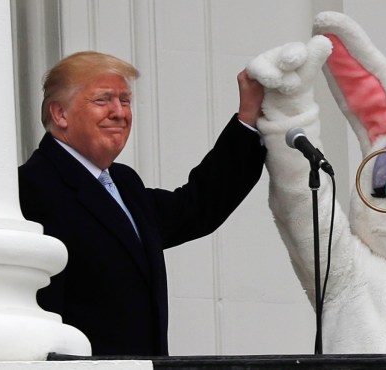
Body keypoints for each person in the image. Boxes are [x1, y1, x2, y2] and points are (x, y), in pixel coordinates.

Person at [18, 51, 266, 356]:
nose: (119, 112)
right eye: (103, 100)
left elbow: (197, 206)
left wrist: (248, 118)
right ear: (60, 114)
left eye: (125, 101)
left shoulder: (123, 183)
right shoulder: (31, 188)